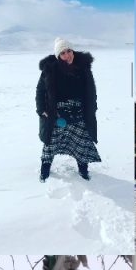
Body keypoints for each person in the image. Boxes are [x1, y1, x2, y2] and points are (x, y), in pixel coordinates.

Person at [36, 38, 100, 182]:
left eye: (69, 51)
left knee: (81, 142)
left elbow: (91, 90)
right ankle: (45, 167)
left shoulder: (83, 68)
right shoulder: (50, 70)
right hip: (56, 113)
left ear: (73, 51)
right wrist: (41, 110)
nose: (67, 55)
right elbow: (40, 91)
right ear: (58, 56)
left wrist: (92, 107)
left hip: (79, 112)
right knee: (50, 143)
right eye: (63, 53)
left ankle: (83, 168)